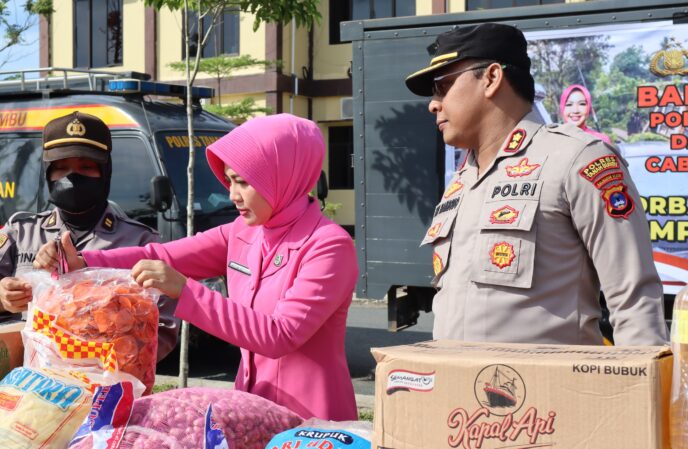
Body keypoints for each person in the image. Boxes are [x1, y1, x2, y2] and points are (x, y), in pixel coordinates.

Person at [34, 113, 359, 420]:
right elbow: (163, 255)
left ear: (283, 176)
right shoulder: (243, 232)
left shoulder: (328, 246)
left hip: (314, 421)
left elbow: (279, 335)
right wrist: (85, 262)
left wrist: (187, 292)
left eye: (243, 182)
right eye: (229, 181)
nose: (232, 194)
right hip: (252, 411)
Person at [405, 23, 667, 345]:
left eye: (443, 86)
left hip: (551, 393)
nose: (434, 103)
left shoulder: (577, 159)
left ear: (491, 79)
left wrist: (638, 390)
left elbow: (634, 302)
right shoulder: (462, 179)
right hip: (458, 390)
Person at [0, 111, 179, 361]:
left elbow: (164, 329)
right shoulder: (20, 232)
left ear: (105, 172)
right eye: (61, 167)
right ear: (48, 174)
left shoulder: (141, 242)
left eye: (86, 167)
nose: (72, 177)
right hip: (28, 385)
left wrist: (102, 343)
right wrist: (0, 300)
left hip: (107, 384)